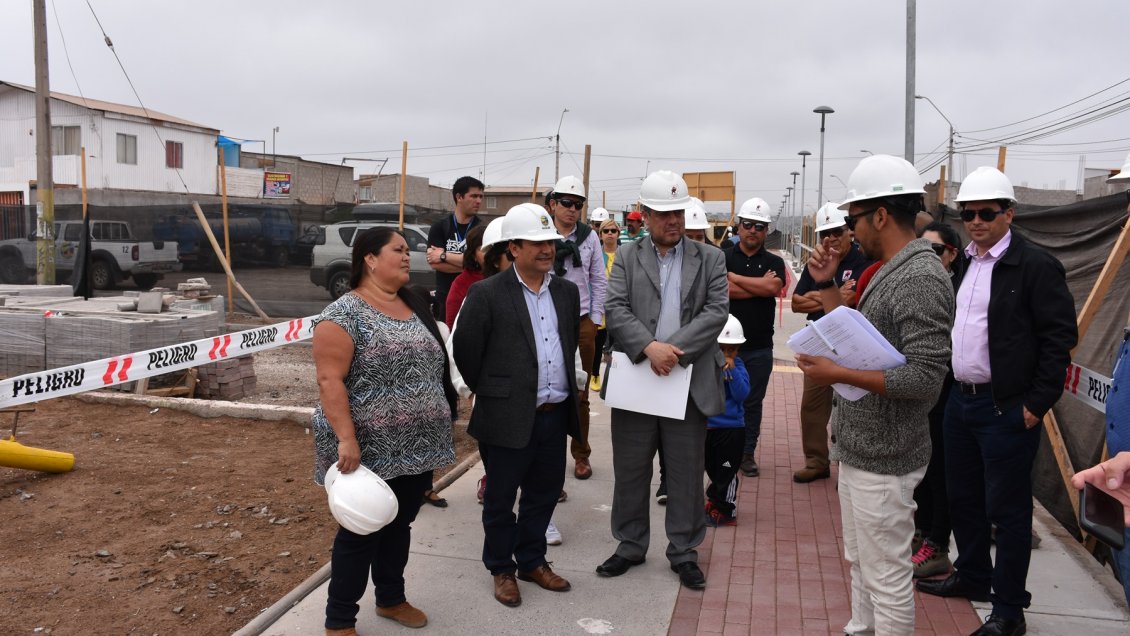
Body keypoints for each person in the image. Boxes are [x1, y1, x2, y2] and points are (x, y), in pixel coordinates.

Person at [796, 154, 954, 635]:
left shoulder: (920, 278)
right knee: (862, 563)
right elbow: (850, 334)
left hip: (887, 456)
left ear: (881, 215)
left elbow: (925, 378)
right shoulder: (891, 268)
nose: (849, 231)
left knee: (886, 577)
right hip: (865, 447)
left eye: (853, 219)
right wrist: (825, 288)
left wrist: (836, 372)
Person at [917, 166, 1077, 636]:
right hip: (959, 403)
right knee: (961, 497)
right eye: (968, 213)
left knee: (1006, 511)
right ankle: (973, 577)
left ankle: (1008, 610)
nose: (976, 221)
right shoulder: (964, 263)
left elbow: (1058, 340)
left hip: (1006, 407)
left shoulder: (1036, 266)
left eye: (987, 212)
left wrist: (1036, 403)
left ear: (1009, 214)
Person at [312, 227, 458, 634]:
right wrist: (346, 438)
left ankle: (391, 598)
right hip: (368, 449)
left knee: (400, 524)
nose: (407, 255)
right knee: (361, 533)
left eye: (407, 250)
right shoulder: (342, 315)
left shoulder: (414, 305)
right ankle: (339, 621)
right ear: (370, 259)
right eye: (398, 250)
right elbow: (330, 381)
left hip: (417, 445)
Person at [598, 170, 728, 591]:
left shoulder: (710, 259)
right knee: (631, 470)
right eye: (663, 214)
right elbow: (615, 307)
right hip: (638, 378)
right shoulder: (629, 257)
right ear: (645, 216)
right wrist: (649, 348)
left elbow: (716, 312)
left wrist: (672, 350)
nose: (673, 221)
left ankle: (684, 551)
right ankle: (630, 544)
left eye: (678, 213)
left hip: (685, 382)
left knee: (686, 471)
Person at [452, 203, 581, 609]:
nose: (547, 250)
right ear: (514, 247)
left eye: (551, 243)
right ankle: (501, 569)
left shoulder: (566, 291)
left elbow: (568, 344)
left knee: (543, 495)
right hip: (506, 416)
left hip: (553, 413)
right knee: (501, 498)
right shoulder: (487, 293)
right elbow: (467, 352)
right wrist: (495, 391)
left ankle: (532, 561)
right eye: (538, 242)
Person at [790, 203, 873, 484]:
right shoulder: (817, 262)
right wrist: (833, 293)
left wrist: (821, 294)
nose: (831, 239)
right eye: (824, 233)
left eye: (837, 231)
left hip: (852, 344)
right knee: (812, 405)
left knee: (852, 406)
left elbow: (852, 301)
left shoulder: (864, 262)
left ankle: (849, 464)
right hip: (817, 341)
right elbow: (796, 303)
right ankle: (816, 461)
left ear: (849, 231)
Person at [909, 221, 963, 577]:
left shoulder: (963, 289)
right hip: (922, 394)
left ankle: (938, 544)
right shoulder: (919, 286)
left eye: (937, 251)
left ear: (953, 254)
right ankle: (923, 532)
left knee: (944, 472)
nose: (930, 259)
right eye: (923, 251)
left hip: (954, 391)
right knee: (924, 471)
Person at [547, 175, 607, 481]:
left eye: (578, 205)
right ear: (554, 204)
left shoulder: (589, 237)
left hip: (581, 320)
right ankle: (548, 455)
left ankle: (581, 454)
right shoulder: (540, 233)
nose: (573, 210)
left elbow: (598, 278)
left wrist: (595, 319)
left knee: (581, 392)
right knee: (548, 391)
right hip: (545, 318)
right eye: (567, 203)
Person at [726, 197, 787, 479]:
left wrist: (734, 279)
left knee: (752, 402)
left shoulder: (775, 261)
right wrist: (760, 287)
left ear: (766, 231)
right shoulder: (722, 256)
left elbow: (774, 287)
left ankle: (747, 453)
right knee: (724, 398)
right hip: (724, 346)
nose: (753, 230)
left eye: (759, 226)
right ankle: (725, 451)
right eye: (748, 224)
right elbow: (723, 292)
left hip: (760, 347)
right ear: (739, 226)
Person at [704, 314, 751, 527]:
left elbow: (742, 395)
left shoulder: (738, 367)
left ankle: (727, 509)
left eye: (731, 350)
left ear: (738, 350)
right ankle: (715, 500)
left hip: (731, 430)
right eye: (721, 349)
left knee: (727, 470)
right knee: (712, 467)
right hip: (709, 427)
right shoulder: (707, 367)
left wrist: (732, 371)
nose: (726, 355)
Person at [427, 176, 484, 323]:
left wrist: (444, 256)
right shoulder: (440, 227)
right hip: (444, 298)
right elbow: (434, 263)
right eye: (474, 196)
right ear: (459, 197)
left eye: (481, 197)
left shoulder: (483, 229)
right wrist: (470, 264)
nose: (479, 201)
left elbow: (483, 263)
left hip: (475, 297)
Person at [590, 218, 621, 393]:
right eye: (606, 231)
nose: (610, 234)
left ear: (618, 234)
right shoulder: (596, 255)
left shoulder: (624, 254)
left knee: (616, 346)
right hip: (600, 307)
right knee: (597, 343)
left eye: (613, 231)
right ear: (600, 235)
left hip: (619, 308)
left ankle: (614, 377)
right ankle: (595, 374)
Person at [444, 224, 486, 329]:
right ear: (473, 256)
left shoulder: (510, 277)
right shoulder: (461, 283)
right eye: (483, 249)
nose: (489, 253)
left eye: (492, 247)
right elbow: (452, 325)